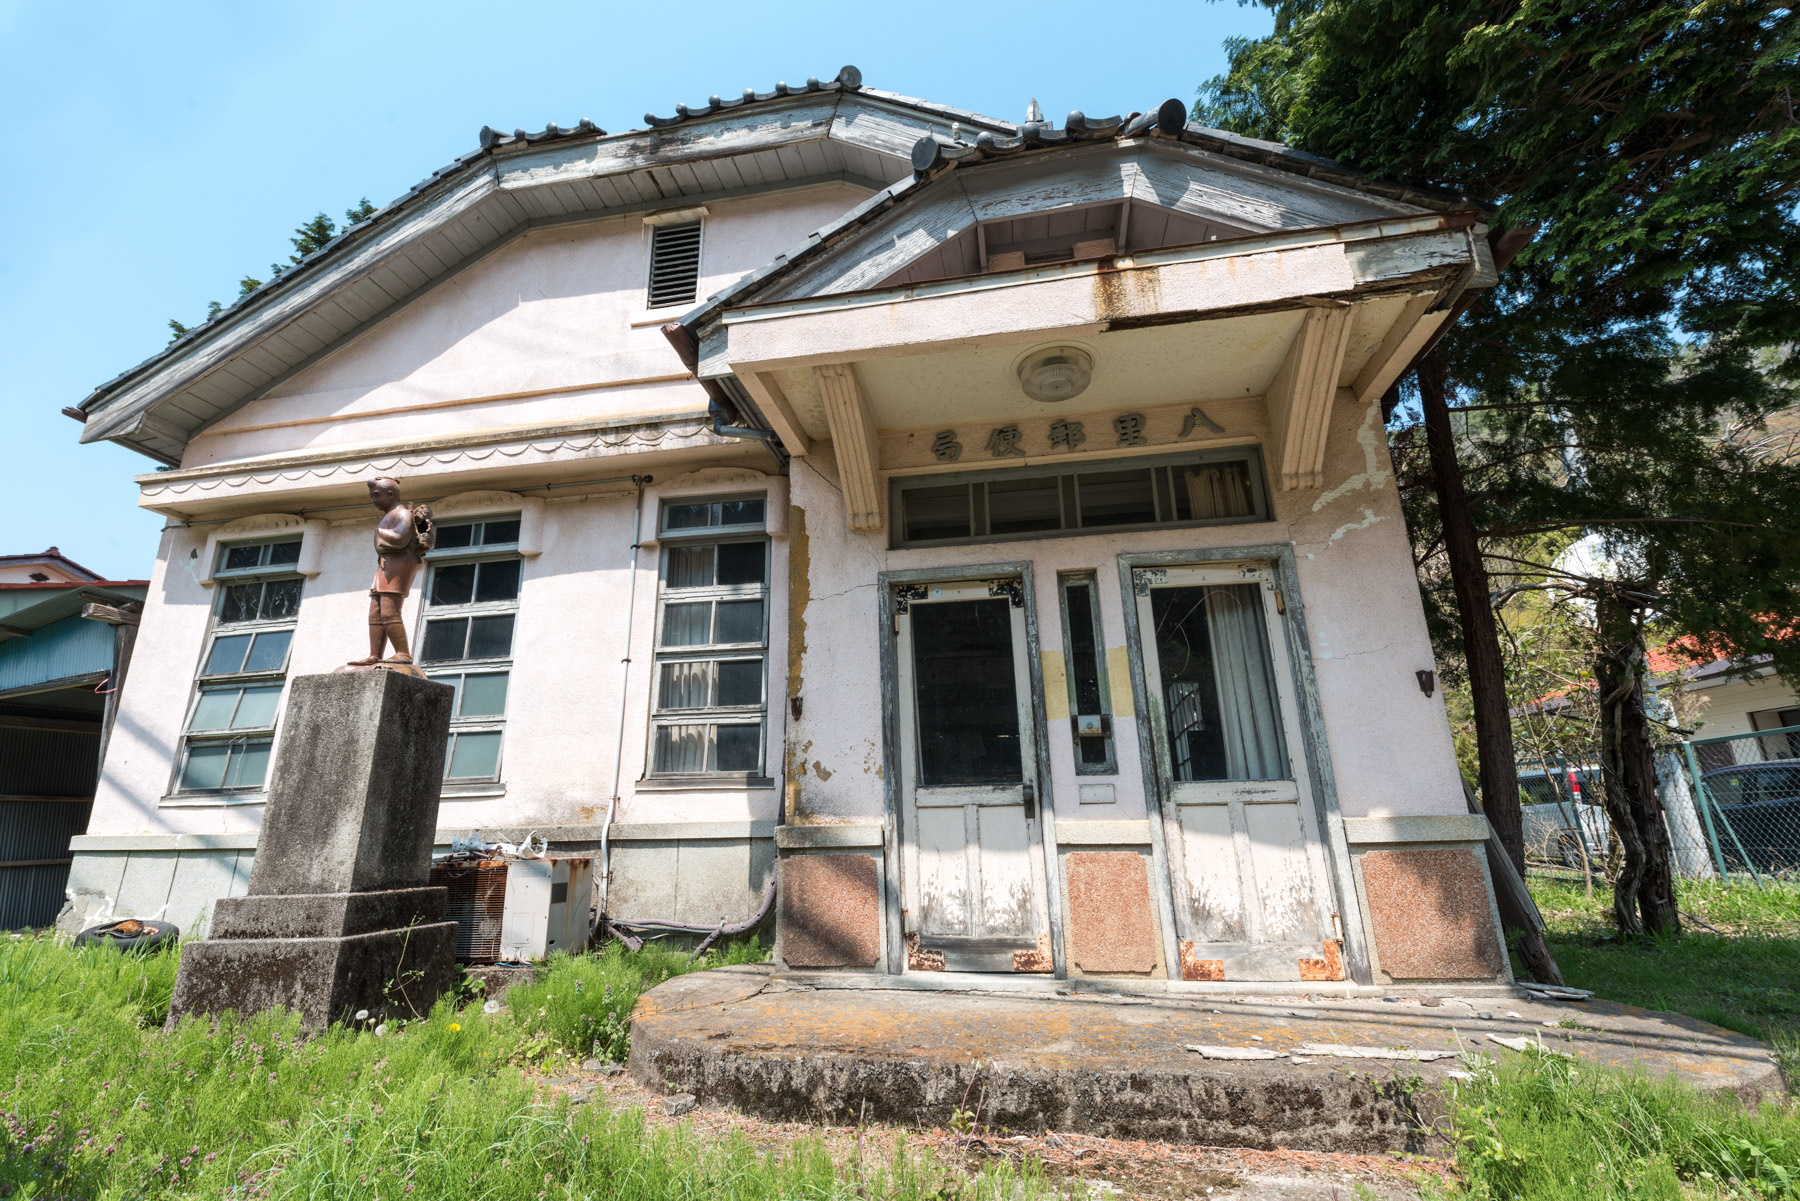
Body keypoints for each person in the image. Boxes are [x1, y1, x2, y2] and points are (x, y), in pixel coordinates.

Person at [348, 476, 434, 667]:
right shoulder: (389, 514)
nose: (373, 500)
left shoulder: (401, 513)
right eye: (372, 496)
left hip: (399, 564)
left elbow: (401, 538)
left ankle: (403, 653)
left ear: (391, 494)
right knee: (375, 612)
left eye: (376, 495)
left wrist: (379, 533)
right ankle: (375, 654)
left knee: (389, 611)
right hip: (386, 564)